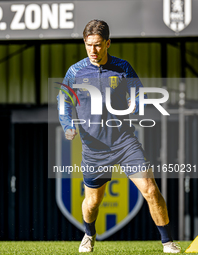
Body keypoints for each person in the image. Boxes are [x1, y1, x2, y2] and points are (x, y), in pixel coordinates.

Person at [57, 19, 180, 253]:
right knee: (92, 202)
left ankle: (167, 242)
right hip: (94, 147)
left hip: (125, 142)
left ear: (108, 43)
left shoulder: (123, 67)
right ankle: (89, 234)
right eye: (88, 45)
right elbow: (63, 101)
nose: (93, 50)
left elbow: (139, 93)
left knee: (151, 190)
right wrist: (67, 124)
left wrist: (136, 103)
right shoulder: (75, 71)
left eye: (98, 45)